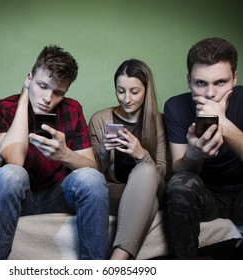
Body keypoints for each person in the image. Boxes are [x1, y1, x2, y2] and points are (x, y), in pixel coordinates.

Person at [0, 44, 109, 260]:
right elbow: (14, 160)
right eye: (42, 86)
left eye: (57, 93)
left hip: (57, 194)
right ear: (28, 79)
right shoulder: (2, 108)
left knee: (91, 179)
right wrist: (24, 99)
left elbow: (93, 169)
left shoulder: (72, 109)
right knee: (9, 174)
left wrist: (64, 154)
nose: (47, 98)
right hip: (20, 194)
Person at [163, 37, 243, 259]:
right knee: (179, 184)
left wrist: (224, 123)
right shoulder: (175, 106)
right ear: (188, 80)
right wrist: (195, 155)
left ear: (234, 78)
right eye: (200, 83)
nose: (210, 94)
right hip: (206, 194)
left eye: (220, 82)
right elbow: (179, 169)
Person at [89, 59, 167, 259]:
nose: (126, 99)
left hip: (152, 187)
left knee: (147, 170)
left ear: (146, 90)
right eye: (120, 90)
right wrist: (103, 151)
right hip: (116, 189)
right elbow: (93, 176)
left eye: (134, 91)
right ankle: (119, 262)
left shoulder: (159, 122)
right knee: (150, 204)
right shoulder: (99, 119)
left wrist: (142, 155)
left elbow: (163, 172)